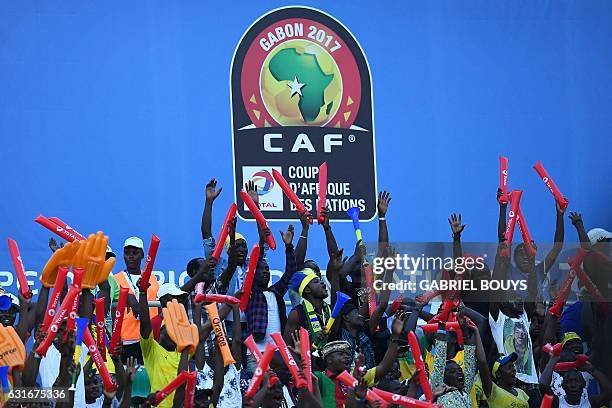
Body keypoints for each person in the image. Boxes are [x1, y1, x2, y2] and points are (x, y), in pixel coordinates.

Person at [110, 236, 160, 365]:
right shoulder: (116, 279)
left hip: (150, 339)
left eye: (135, 252)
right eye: (127, 253)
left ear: (142, 255)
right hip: (127, 341)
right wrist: (126, 296)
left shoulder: (152, 279)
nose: (130, 256)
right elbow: (111, 309)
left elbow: (159, 306)